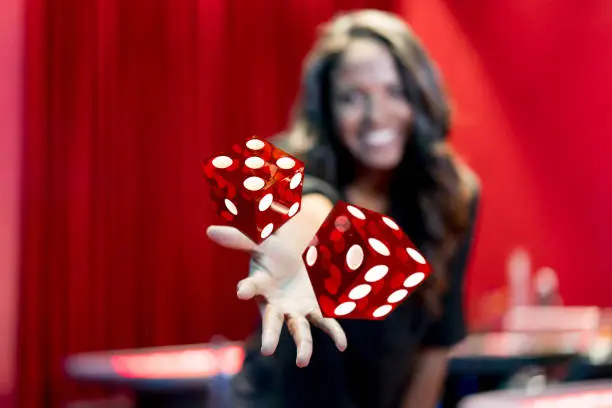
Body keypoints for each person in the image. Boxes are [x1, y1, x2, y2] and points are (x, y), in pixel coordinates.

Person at [207, 9, 480, 408]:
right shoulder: (273, 166)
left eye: (395, 92)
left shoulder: (454, 192)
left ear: (420, 97)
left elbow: (435, 344)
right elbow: (310, 208)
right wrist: (297, 240)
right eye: (352, 97)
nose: (376, 115)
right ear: (326, 108)